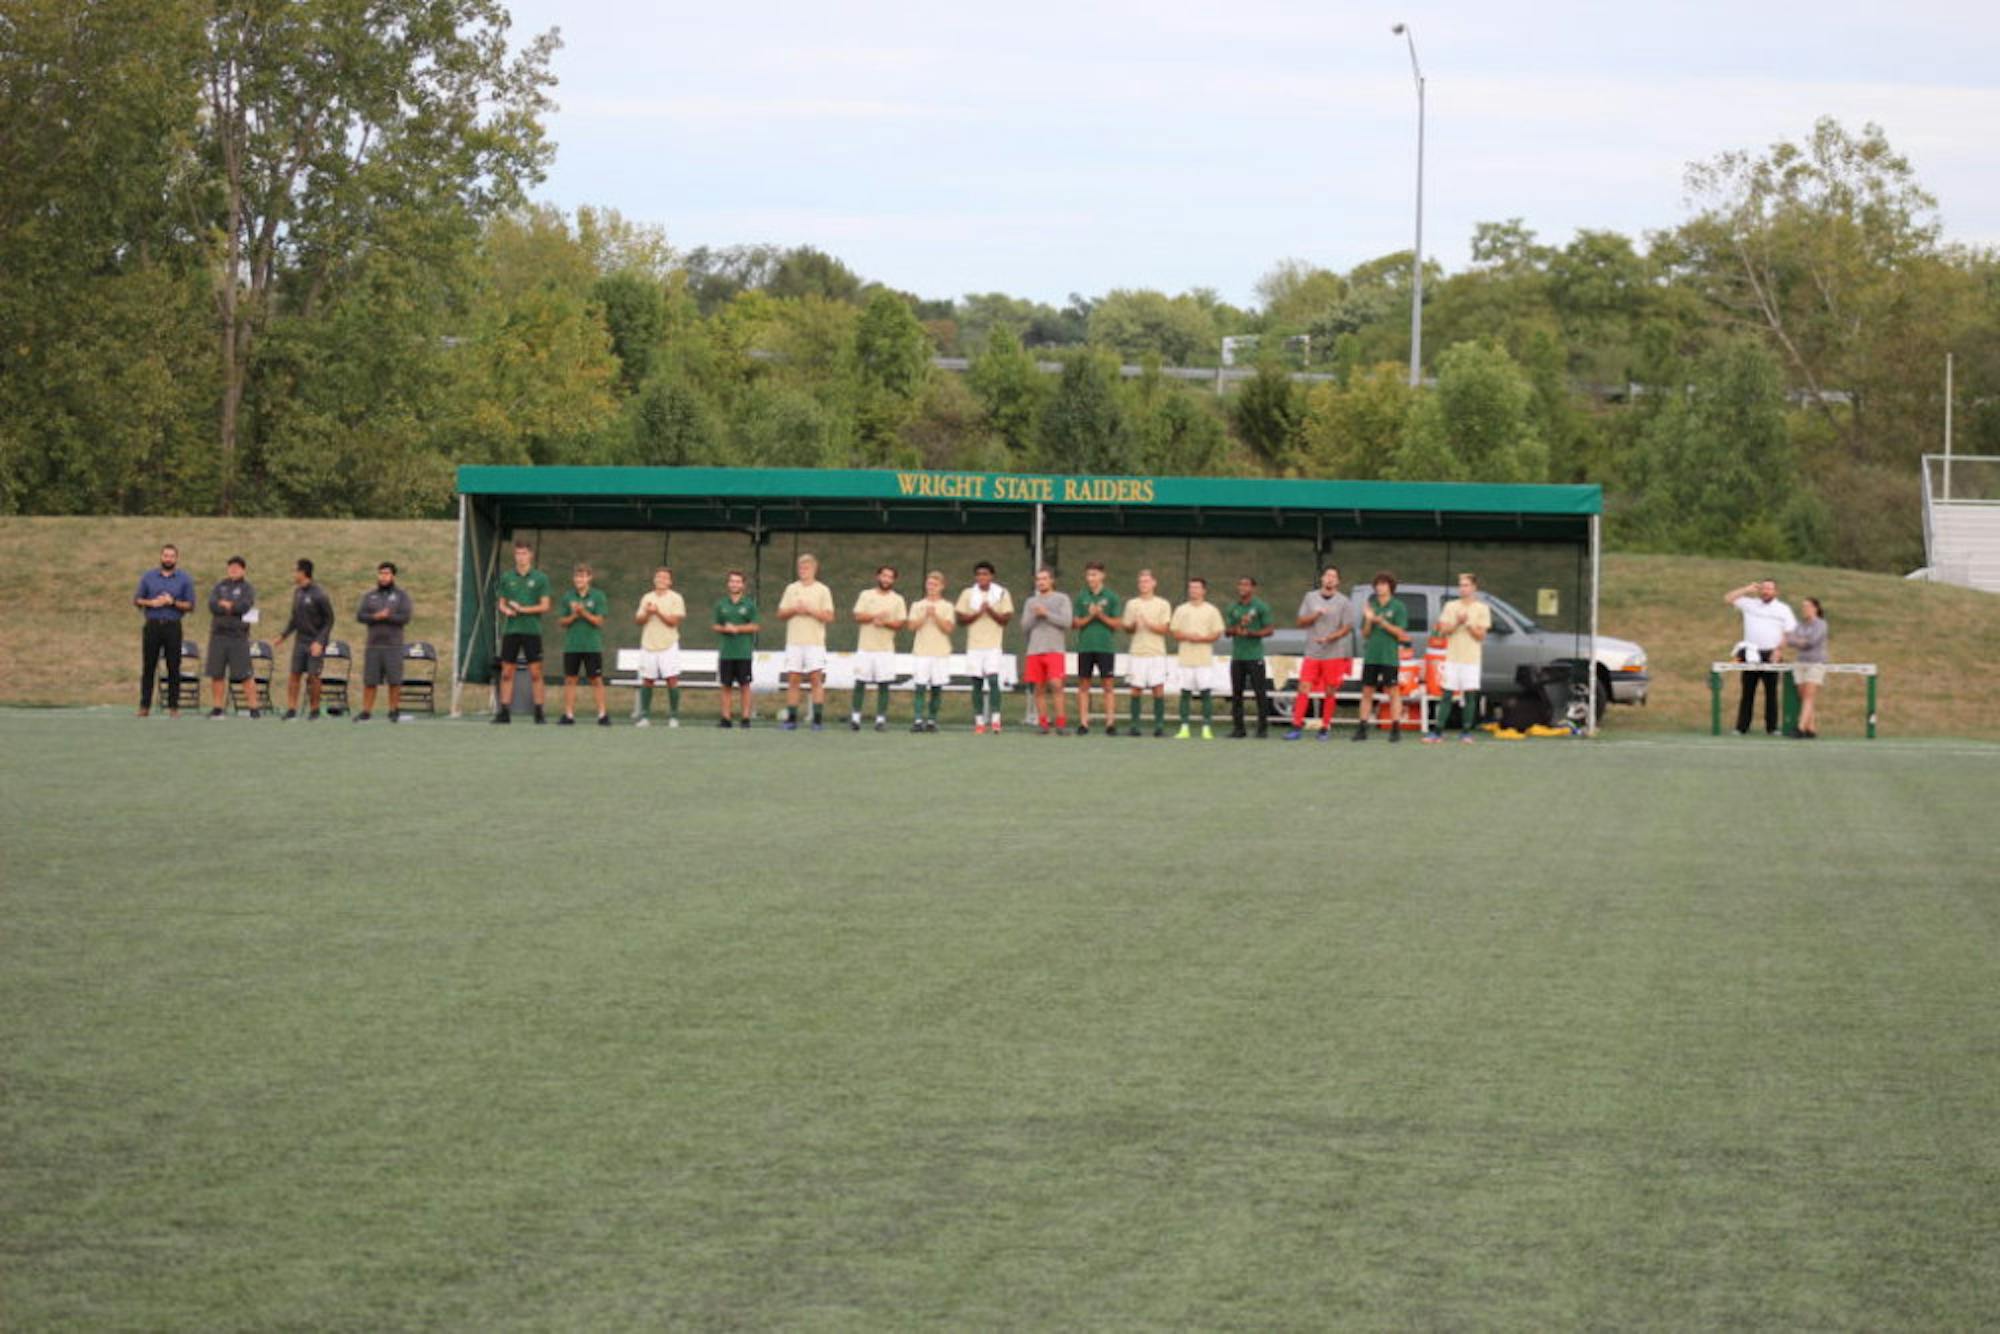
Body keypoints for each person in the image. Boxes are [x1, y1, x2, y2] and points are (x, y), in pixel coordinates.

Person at [1284, 566, 1354, 741]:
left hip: (1334, 653)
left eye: (1334, 576)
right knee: (1303, 687)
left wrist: (1331, 638)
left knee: (1330, 691)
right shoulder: (1310, 597)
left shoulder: (1344, 601)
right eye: (1327, 575)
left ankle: (1324, 728)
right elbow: (1301, 621)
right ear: (1322, 579)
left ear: (1338, 582)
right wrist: (1315, 615)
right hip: (1312, 652)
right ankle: (1296, 726)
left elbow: (1347, 628)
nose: (1330, 579)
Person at [1724, 578, 1797, 736]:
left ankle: (1772, 728)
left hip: (1772, 654)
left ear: (1776, 592)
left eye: (1769, 589)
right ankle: (1742, 727)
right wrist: (1746, 589)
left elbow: (1789, 631)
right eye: (1763, 588)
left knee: (1771, 693)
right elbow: (1728, 598)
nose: (1765, 591)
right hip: (1751, 653)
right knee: (1747, 691)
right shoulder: (1750, 603)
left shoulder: (1783, 609)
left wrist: (1779, 650)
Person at [493, 540, 552, 724]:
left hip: (532, 631)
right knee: (507, 672)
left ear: (530, 555)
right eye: (518, 554)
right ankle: (504, 712)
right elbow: (501, 603)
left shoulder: (541, 578)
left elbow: (545, 606)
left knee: (535, 672)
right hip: (511, 631)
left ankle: (539, 711)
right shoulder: (507, 577)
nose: (521, 557)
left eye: (524, 553)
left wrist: (522, 609)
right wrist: (506, 610)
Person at [1427, 572, 1490, 744]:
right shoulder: (1450, 606)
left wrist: (1468, 623)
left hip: (1471, 659)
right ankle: (1437, 732)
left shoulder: (1482, 609)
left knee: (1470, 696)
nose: (1463, 588)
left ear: (1474, 587)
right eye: (1461, 585)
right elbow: (1443, 631)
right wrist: (1457, 622)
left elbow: (1480, 636)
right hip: (1452, 658)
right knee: (1446, 694)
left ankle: (1466, 732)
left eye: (1466, 585)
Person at [134, 543, 195, 718]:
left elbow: (190, 605)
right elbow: (137, 600)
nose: (168, 559)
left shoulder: (184, 579)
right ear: (161, 557)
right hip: (152, 625)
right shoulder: (148, 577)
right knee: (149, 667)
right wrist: (151, 603)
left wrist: (172, 602)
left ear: (176, 559)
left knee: (173, 667)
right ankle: (144, 706)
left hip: (173, 627)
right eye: (165, 555)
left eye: (171, 556)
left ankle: (173, 707)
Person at [777, 552, 835, 730]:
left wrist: (810, 610)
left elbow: (829, 616)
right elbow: (781, 614)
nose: (803, 570)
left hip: (814, 643)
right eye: (801, 567)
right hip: (794, 642)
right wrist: (795, 609)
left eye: (807, 567)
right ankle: (792, 719)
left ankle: (817, 720)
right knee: (793, 679)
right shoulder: (791, 589)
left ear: (814, 569)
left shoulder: (822, 590)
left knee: (816, 680)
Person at [955, 561, 1014, 734]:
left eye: (986, 574)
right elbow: (961, 620)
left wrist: (990, 611)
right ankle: (979, 720)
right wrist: (978, 613)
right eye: (979, 574)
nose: (982, 577)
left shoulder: (1001, 593)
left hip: (993, 645)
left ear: (992, 576)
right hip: (974, 646)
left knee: (994, 681)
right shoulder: (968, 593)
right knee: (977, 683)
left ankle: (995, 719)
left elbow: (1005, 620)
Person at [275, 558, 335, 721]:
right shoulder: (298, 592)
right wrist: (284, 635)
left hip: (315, 641)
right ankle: (292, 709)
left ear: (303, 572)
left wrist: (320, 642)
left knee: (313, 677)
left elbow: (329, 620)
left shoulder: (320, 594)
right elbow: (295, 618)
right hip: (300, 642)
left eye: (296, 571)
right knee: (294, 675)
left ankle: (314, 710)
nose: (294, 574)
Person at [1353, 571, 1410, 743]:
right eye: (1377, 584)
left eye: (1383, 584)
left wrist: (1382, 622)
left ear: (1390, 587)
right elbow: (1365, 633)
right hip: (1371, 656)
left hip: (1389, 656)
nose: (1380, 587)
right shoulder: (1372, 605)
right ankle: (1362, 728)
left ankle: (1395, 728)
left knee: (1393, 692)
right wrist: (1370, 620)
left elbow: (1400, 633)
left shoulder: (1398, 606)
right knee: (1367, 691)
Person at [849, 565, 907, 732]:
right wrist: (874, 617)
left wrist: (885, 623)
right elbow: (858, 615)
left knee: (884, 684)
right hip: (865, 648)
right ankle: (855, 718)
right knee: (860, 682)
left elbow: (900, 623)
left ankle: (880, 719)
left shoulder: (898, 599)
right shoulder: (866, 595)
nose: (886, 579)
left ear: (894, 580)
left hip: (885, 650)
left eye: (890, 577)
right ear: (878, 577)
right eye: (884, 576)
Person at [354, 562, 413, 723]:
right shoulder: (370, 596)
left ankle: (393, 710)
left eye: (386, 573)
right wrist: (375, 617)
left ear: (393, 576)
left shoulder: (401, 596)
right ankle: (366, 711)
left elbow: (406, 617)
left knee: (394, 680)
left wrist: (388, 617)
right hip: (373, 645)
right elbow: (360, 616)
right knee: (370, 680)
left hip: (393, 645)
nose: (383, 576)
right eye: (381, 573)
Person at [204, 556, 261, 719]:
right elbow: (212, 605)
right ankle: (217, 708)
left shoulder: (247, 588)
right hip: (218, 636)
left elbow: (245, 606)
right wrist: (228, 607)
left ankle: (254, 708)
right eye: (231, 567)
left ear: (243, 570)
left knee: (245, 674)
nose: (233, 570)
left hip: (238, 637)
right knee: (217, 673)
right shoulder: (220, 586)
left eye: (236, 568)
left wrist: (230, 606)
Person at [1169, 577, 1225, 740]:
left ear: (1203, 590)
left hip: (1204, 660)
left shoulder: (1211, 610)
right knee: (1185, 693)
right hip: (1186, 659)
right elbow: (1175, 631)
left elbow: (1217, 632)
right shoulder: (1181, 609)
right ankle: (1184, 727)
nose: (1193, 590)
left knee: (1205, 693)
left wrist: (1201, 639)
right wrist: (1188, 636)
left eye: (1196, 588)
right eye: (1191, 587)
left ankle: (1206, 728)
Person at [1071, 561, 1123, 735]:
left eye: (1094, 575)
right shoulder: (1081, 596)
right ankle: (1084, 722)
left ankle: (1110, 723)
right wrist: (1090, 615)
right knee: (1084, 685)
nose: (1091, 578)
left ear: (1102, 576)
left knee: (1108, 685)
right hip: (1085, 647)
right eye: (1088, 575)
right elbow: (1076, 623)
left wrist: (1100, 614)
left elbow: (1117, 624)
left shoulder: (1112, 597)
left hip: (1105, 647)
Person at [1121, 568, 1173, 737]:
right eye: (1141, 581)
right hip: (1137, 652)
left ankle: (1159, 727)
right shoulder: (1132, 604)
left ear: (1154, 583)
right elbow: (1127, 628)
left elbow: (1165, 628)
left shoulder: (1163, 604)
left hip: (1156, 652)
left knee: (1158, 688)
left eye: (1146, 581)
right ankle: (1134, 726)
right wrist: (1134, 624)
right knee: (1136, 689)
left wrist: (1148, 623)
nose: (1143, 584)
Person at [556, 563, 610, 727]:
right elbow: (562, 622)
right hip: (572, 646)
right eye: (577, 576)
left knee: (596, 680)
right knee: (570, 680)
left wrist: (583, 612)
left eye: (583, 576)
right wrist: (574, 614)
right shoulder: (567, 597)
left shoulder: (598, 596)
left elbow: (599, 621)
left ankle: (602, 715)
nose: (579, 579)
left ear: (589, 578)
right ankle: (569, 715)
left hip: (592, 646)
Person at [1021, 566, 1073, 734]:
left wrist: (1047, 614)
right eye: (1038, 579)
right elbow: (1024, 626)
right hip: (1035, 650)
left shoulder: (1062, 599)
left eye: (1044, 579)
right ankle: (1043, 724)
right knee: (1038, 688)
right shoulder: (1031, 602)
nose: (1041, 582)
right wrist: (1036, 615)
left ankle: (1061, 723)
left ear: (1052, 580)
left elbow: (1066, 622)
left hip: (1054, 649)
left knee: (1056, 685)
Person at [633, 567, 686, 729]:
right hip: (648, 644)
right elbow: (639, 621)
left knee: (672, 680)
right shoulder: (646, 598)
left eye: (665, 577)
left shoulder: (676, 598)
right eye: (658, 577)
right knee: (647, 680)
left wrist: (657, 612)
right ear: (654, 579)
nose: (661, 580)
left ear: (670, 581)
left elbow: (673, 622)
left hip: (668, 645)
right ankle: (644, 716)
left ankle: (674, 716)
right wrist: (648, 613)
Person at [1224, 575, 1275, 739]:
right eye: (1240, 584)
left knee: (1260, 693)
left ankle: (1262, 729)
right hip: (1237, 657)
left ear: (1253, 588)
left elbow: (1269, 630)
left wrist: (1252, 633)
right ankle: (1239, 729)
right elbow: (1227, 631)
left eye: (1246, 585)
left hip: (1254, 656)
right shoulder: (1233, 607)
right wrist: (1235, 630)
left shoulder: (1261, 606)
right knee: (1236, 694)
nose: (1242, 588)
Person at [904, 570, 954, 732]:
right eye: (929, 584)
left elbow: (948, 628)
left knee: (937, 687)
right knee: (919, 686)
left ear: (942, 587)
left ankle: (932, 720)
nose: (931, 587)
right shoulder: (917, 605)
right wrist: (925, 615)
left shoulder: (947, 606)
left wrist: (936, 616)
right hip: (922, 651)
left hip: (940, 652)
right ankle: (918, 719)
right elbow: (911, 626)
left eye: (935, 585)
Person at [711, 570, 759, 728]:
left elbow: (755, 625)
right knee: (726, 685)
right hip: (726, 653)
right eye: (732, 581)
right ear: (728, 584)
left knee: (744, 685)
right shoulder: (721, 604)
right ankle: (726, 718)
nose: (734, 584)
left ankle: (745, 718)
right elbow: (715, 625)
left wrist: (737, 629)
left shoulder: (749, 604)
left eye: (738, 581)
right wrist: (726, 628)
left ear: (743, 585)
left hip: (743, 652)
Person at [1785, 597, 1828, 739]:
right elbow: (1790, 640)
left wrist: (1799, 641)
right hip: (1801, 662)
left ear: (1815, 608)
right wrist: (1799, 641)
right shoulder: (1800, 625)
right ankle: (1811, 728)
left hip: (1815, 663)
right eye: (1803, 606)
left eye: (1808, 606)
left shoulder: (1821, 624)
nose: (1805, 609)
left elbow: (1812, 642)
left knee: (1809, 695)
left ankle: (1800, 727)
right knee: (1803, 696)